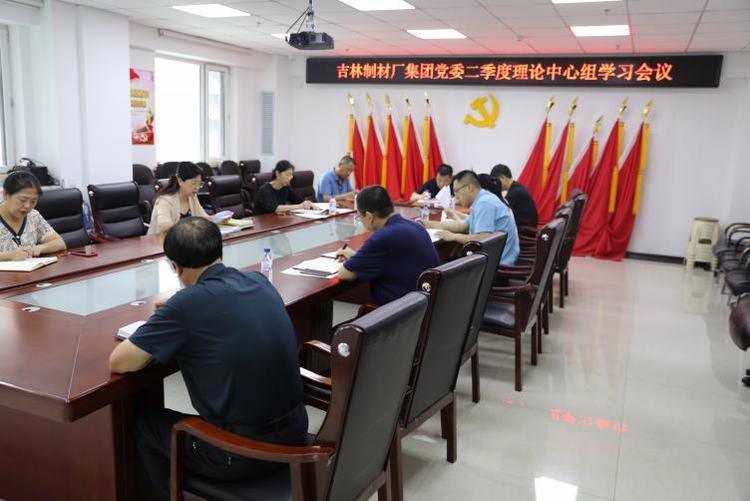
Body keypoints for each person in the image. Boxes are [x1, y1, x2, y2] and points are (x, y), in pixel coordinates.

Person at [109, 217, 307, 499]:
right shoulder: (258, 280)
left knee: (146, 426)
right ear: (219, 252)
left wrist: (171, 313)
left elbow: (120, 361)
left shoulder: (185, 305)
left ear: (175, 267)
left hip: (244, 453)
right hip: (296, 432)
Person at [336, 185, 439, 305]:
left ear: (369, 216)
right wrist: (356, 256)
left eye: (359, 216)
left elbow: (344, 273)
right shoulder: (415, 226)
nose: (360, 221)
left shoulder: (382, 237)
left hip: (401, 311)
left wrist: (353, 260)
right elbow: (390, 259)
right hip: (426, 306)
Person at [424, 170, 519, 265]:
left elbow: (483, 238)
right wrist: (427, 224)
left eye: (456, 191)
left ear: (469, 188)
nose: (456, 197)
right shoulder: (481, 200)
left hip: (498, 265)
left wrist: (453, 236)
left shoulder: (485, 202)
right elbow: (462, 226)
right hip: (492, 259)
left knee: (433, 264)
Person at [0, 171, 66, 261]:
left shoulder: (33, 216)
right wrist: (8, 256)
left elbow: (59, 243)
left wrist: (39, 248)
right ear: (6, 195)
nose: (27, 206)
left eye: (33, 201)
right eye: (22, 200)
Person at [147, 162, 211, 235]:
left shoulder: (192, 197)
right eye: (193, 183)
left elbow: (204, 218)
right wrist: (189, 226)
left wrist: (219, 218)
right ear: (180, 181)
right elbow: (164, 227)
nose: (197, 187)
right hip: (161, 240)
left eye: (200, 184)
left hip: (185, 239)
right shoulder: (164, 201)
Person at [490, 164, 538, 228]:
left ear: (503, 177)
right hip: (525, 228)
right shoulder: (517, 188)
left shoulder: (515, 192)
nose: (495, 184)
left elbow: (498, 211)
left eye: (495, 181)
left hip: (524, 231)